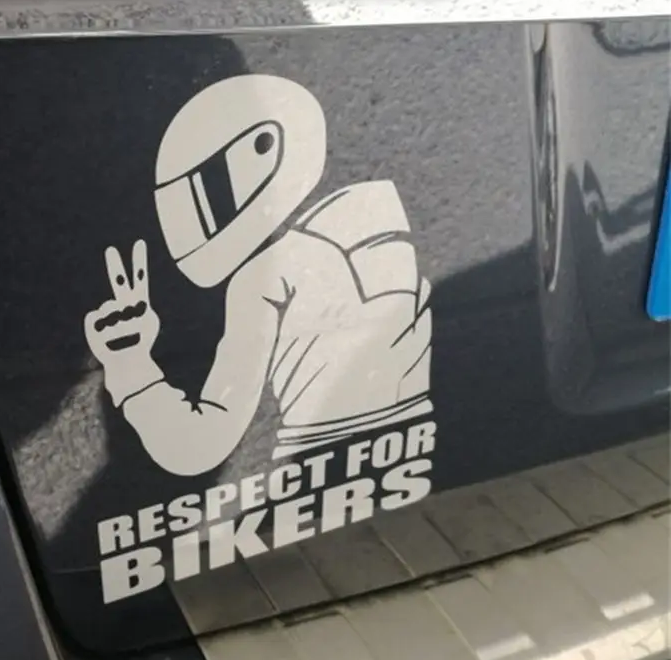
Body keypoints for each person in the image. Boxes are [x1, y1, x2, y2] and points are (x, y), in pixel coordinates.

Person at [84, 73, 432, 477]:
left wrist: (130, 365)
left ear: (264, 149)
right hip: (395, 466)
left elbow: (196, 447)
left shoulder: (269, 274)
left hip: (310, 471)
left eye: (208, 189)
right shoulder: (378, 224)